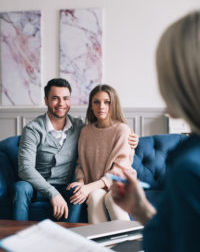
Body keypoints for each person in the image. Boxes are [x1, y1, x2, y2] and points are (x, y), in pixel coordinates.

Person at [23, 10, 200, 252]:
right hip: (137, 246)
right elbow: (180, 248)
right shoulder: (82, 129)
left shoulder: (188, 166)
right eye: (96, 102)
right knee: (91, 205)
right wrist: (141, 209)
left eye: (163, 75)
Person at [14, 78, 138, 222]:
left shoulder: (78, 127)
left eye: (65, 98)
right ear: (46, 100)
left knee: (83, 192)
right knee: (20, 188)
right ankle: (19, 235)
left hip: (69, 186)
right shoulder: (33, 129)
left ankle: (72, 237)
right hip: (37, 186)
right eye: (55, 98)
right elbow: (25, 168)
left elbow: (113, 136)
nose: (61, 103)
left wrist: (133, 138)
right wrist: (54, 192)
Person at [67, 84, 137, 223]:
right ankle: (101, 244)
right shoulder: (86, 131)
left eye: (107, 102)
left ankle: (128, 242)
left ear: (114, 104)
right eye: (96, 102)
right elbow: (80, 164)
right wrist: (81, 183)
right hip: (97, 186)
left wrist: (88, 187)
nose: (101, 106)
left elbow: (119, 171)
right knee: (94, 197)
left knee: (112, 198)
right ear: (91, 106)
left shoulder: (122, 130)